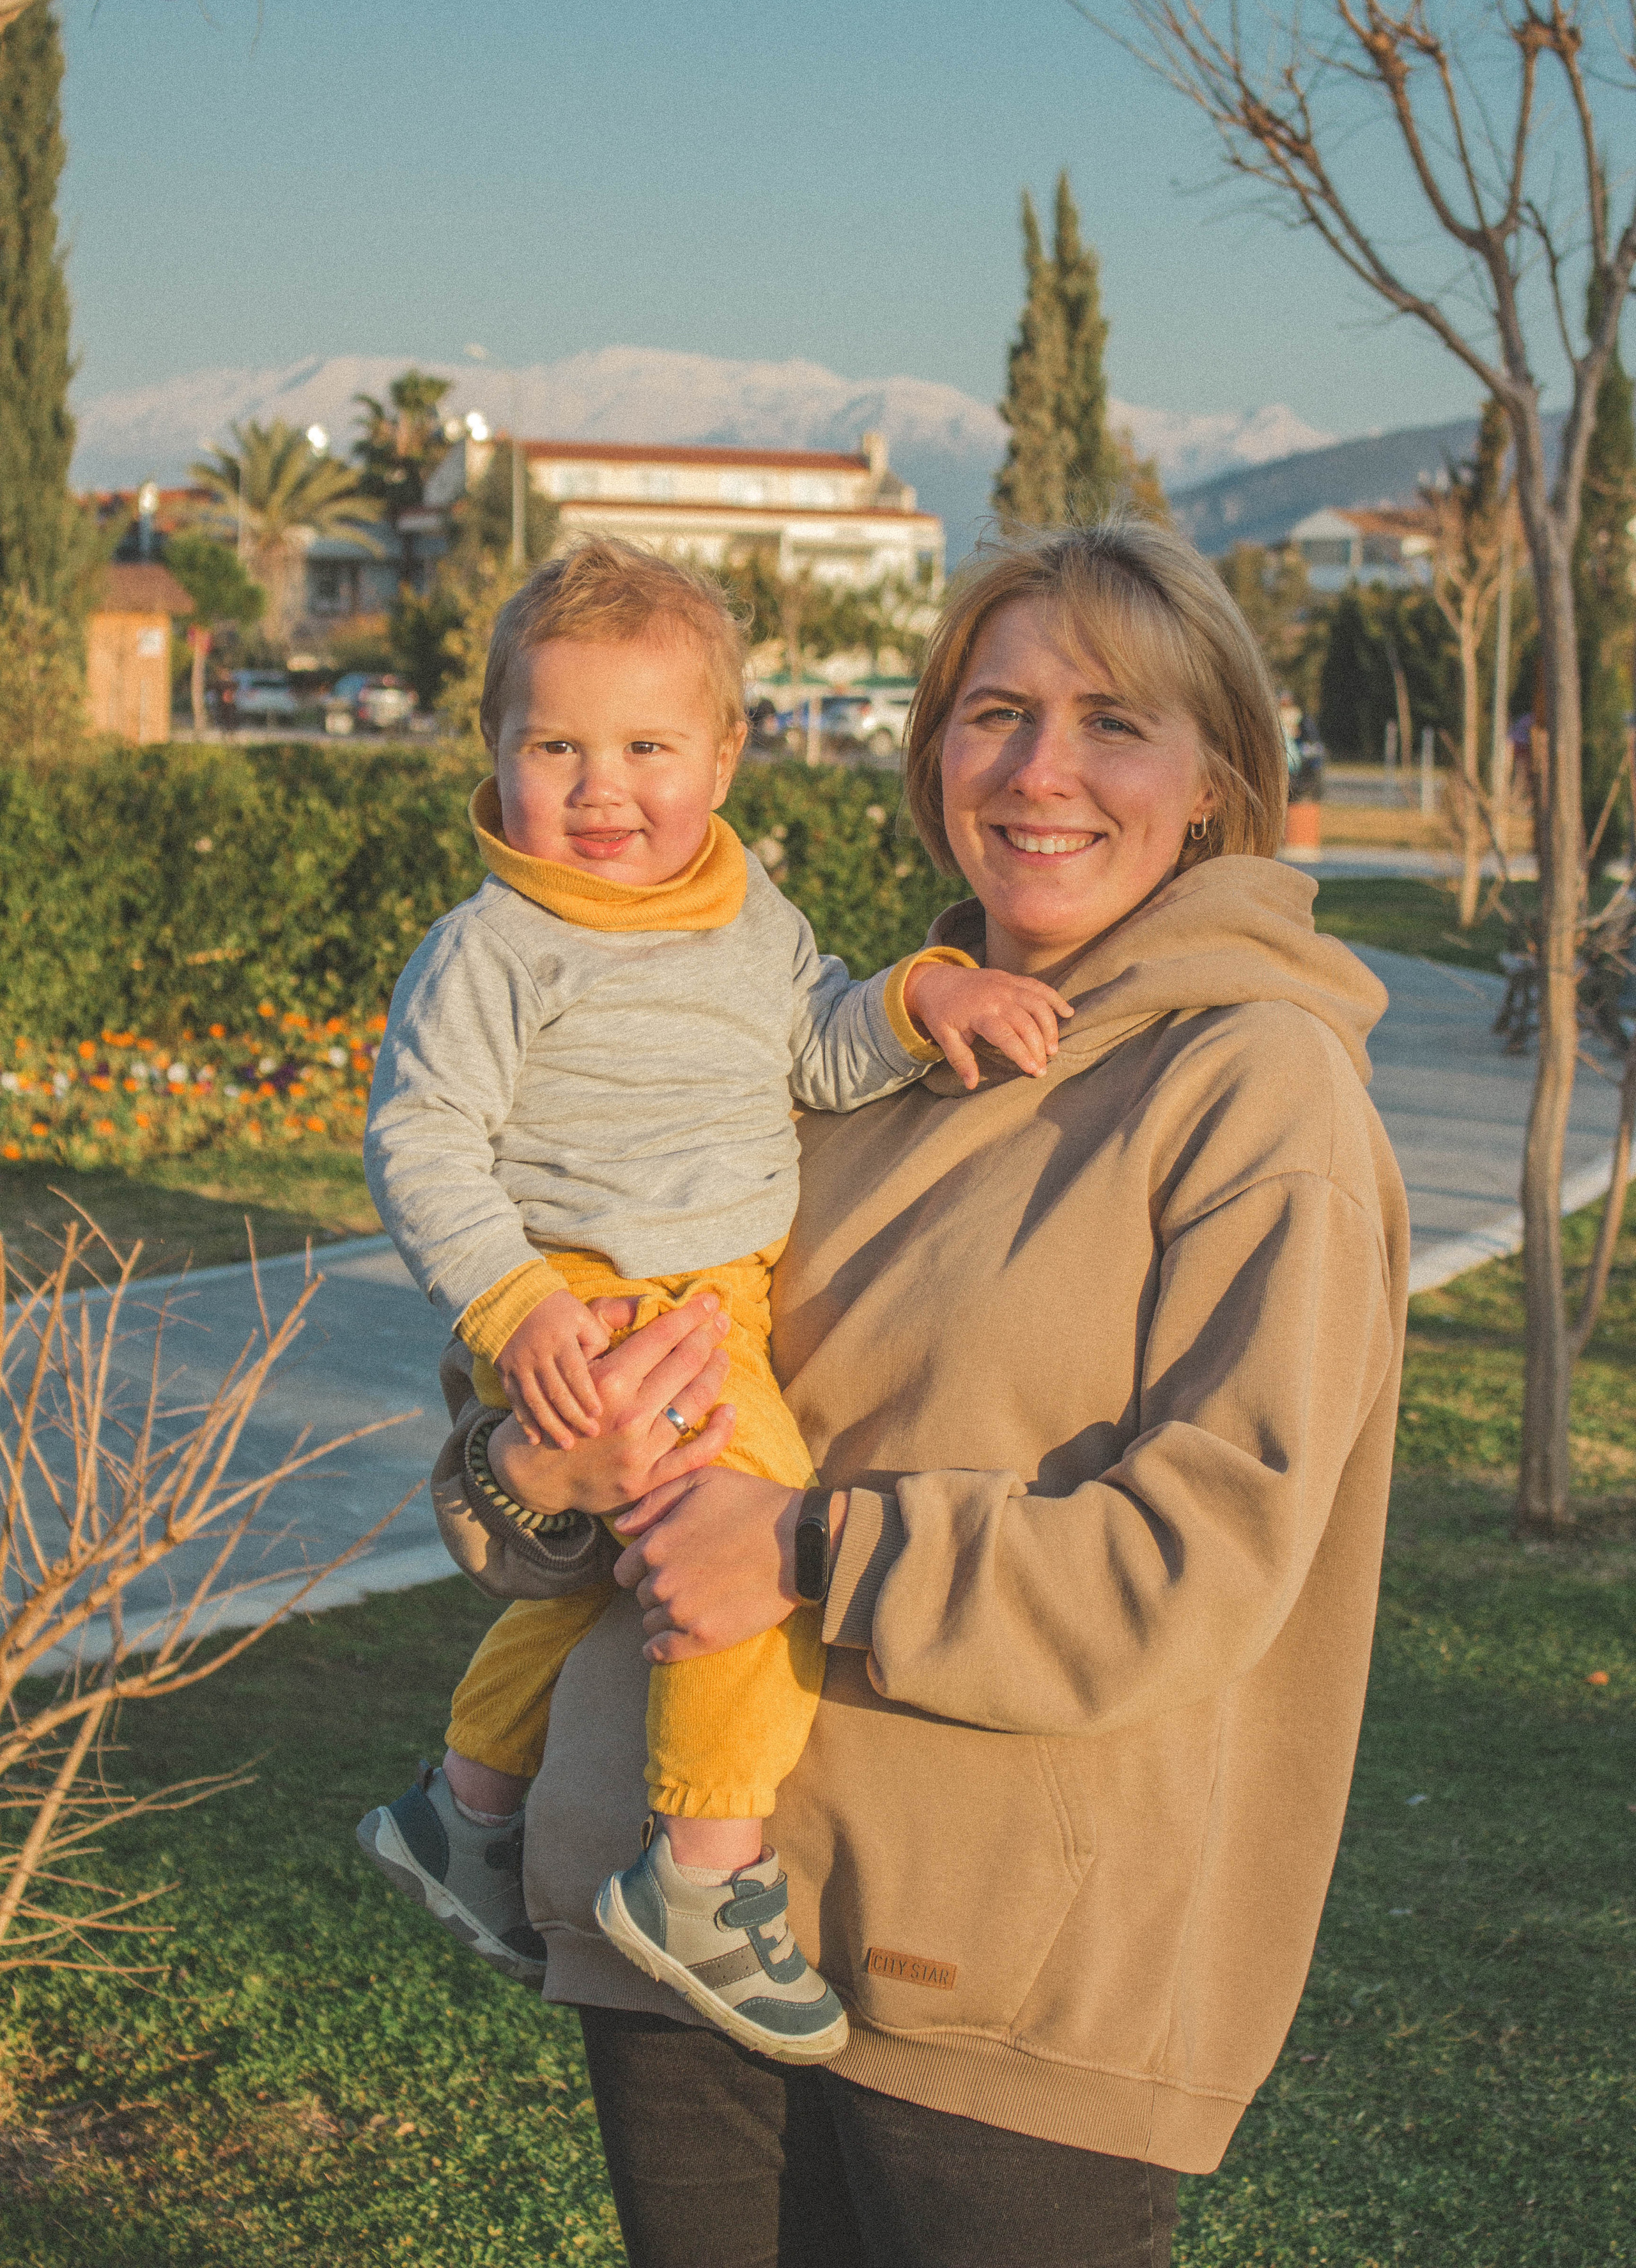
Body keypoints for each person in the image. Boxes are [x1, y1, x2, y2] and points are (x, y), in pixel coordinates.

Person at [431, 519, 1410, 2268]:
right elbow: (536, 1490)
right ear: (931, 751)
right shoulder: (836, 1052)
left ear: (1216, 784)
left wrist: (808, 1555)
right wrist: (537, 1466)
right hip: (686, 1945)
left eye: (1114, 721)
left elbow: (1202, 1558)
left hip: (995, 2001)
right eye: (994, 712)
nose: (1043, 771)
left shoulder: (1257, 1095)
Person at [356, 537, 1072, 2062]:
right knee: (746, 1553)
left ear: (727, 753)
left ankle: (462, 1808)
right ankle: (701, 1874)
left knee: (619, 1571)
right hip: (597, 1312)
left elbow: (812, 1051)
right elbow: (418, 1138)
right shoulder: (494, 950)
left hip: (715, 1299)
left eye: (644, 747)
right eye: (554, 745)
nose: (600, 788)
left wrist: (916, 999)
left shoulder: (749, 922)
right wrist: (514, 1307)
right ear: (493, 749)